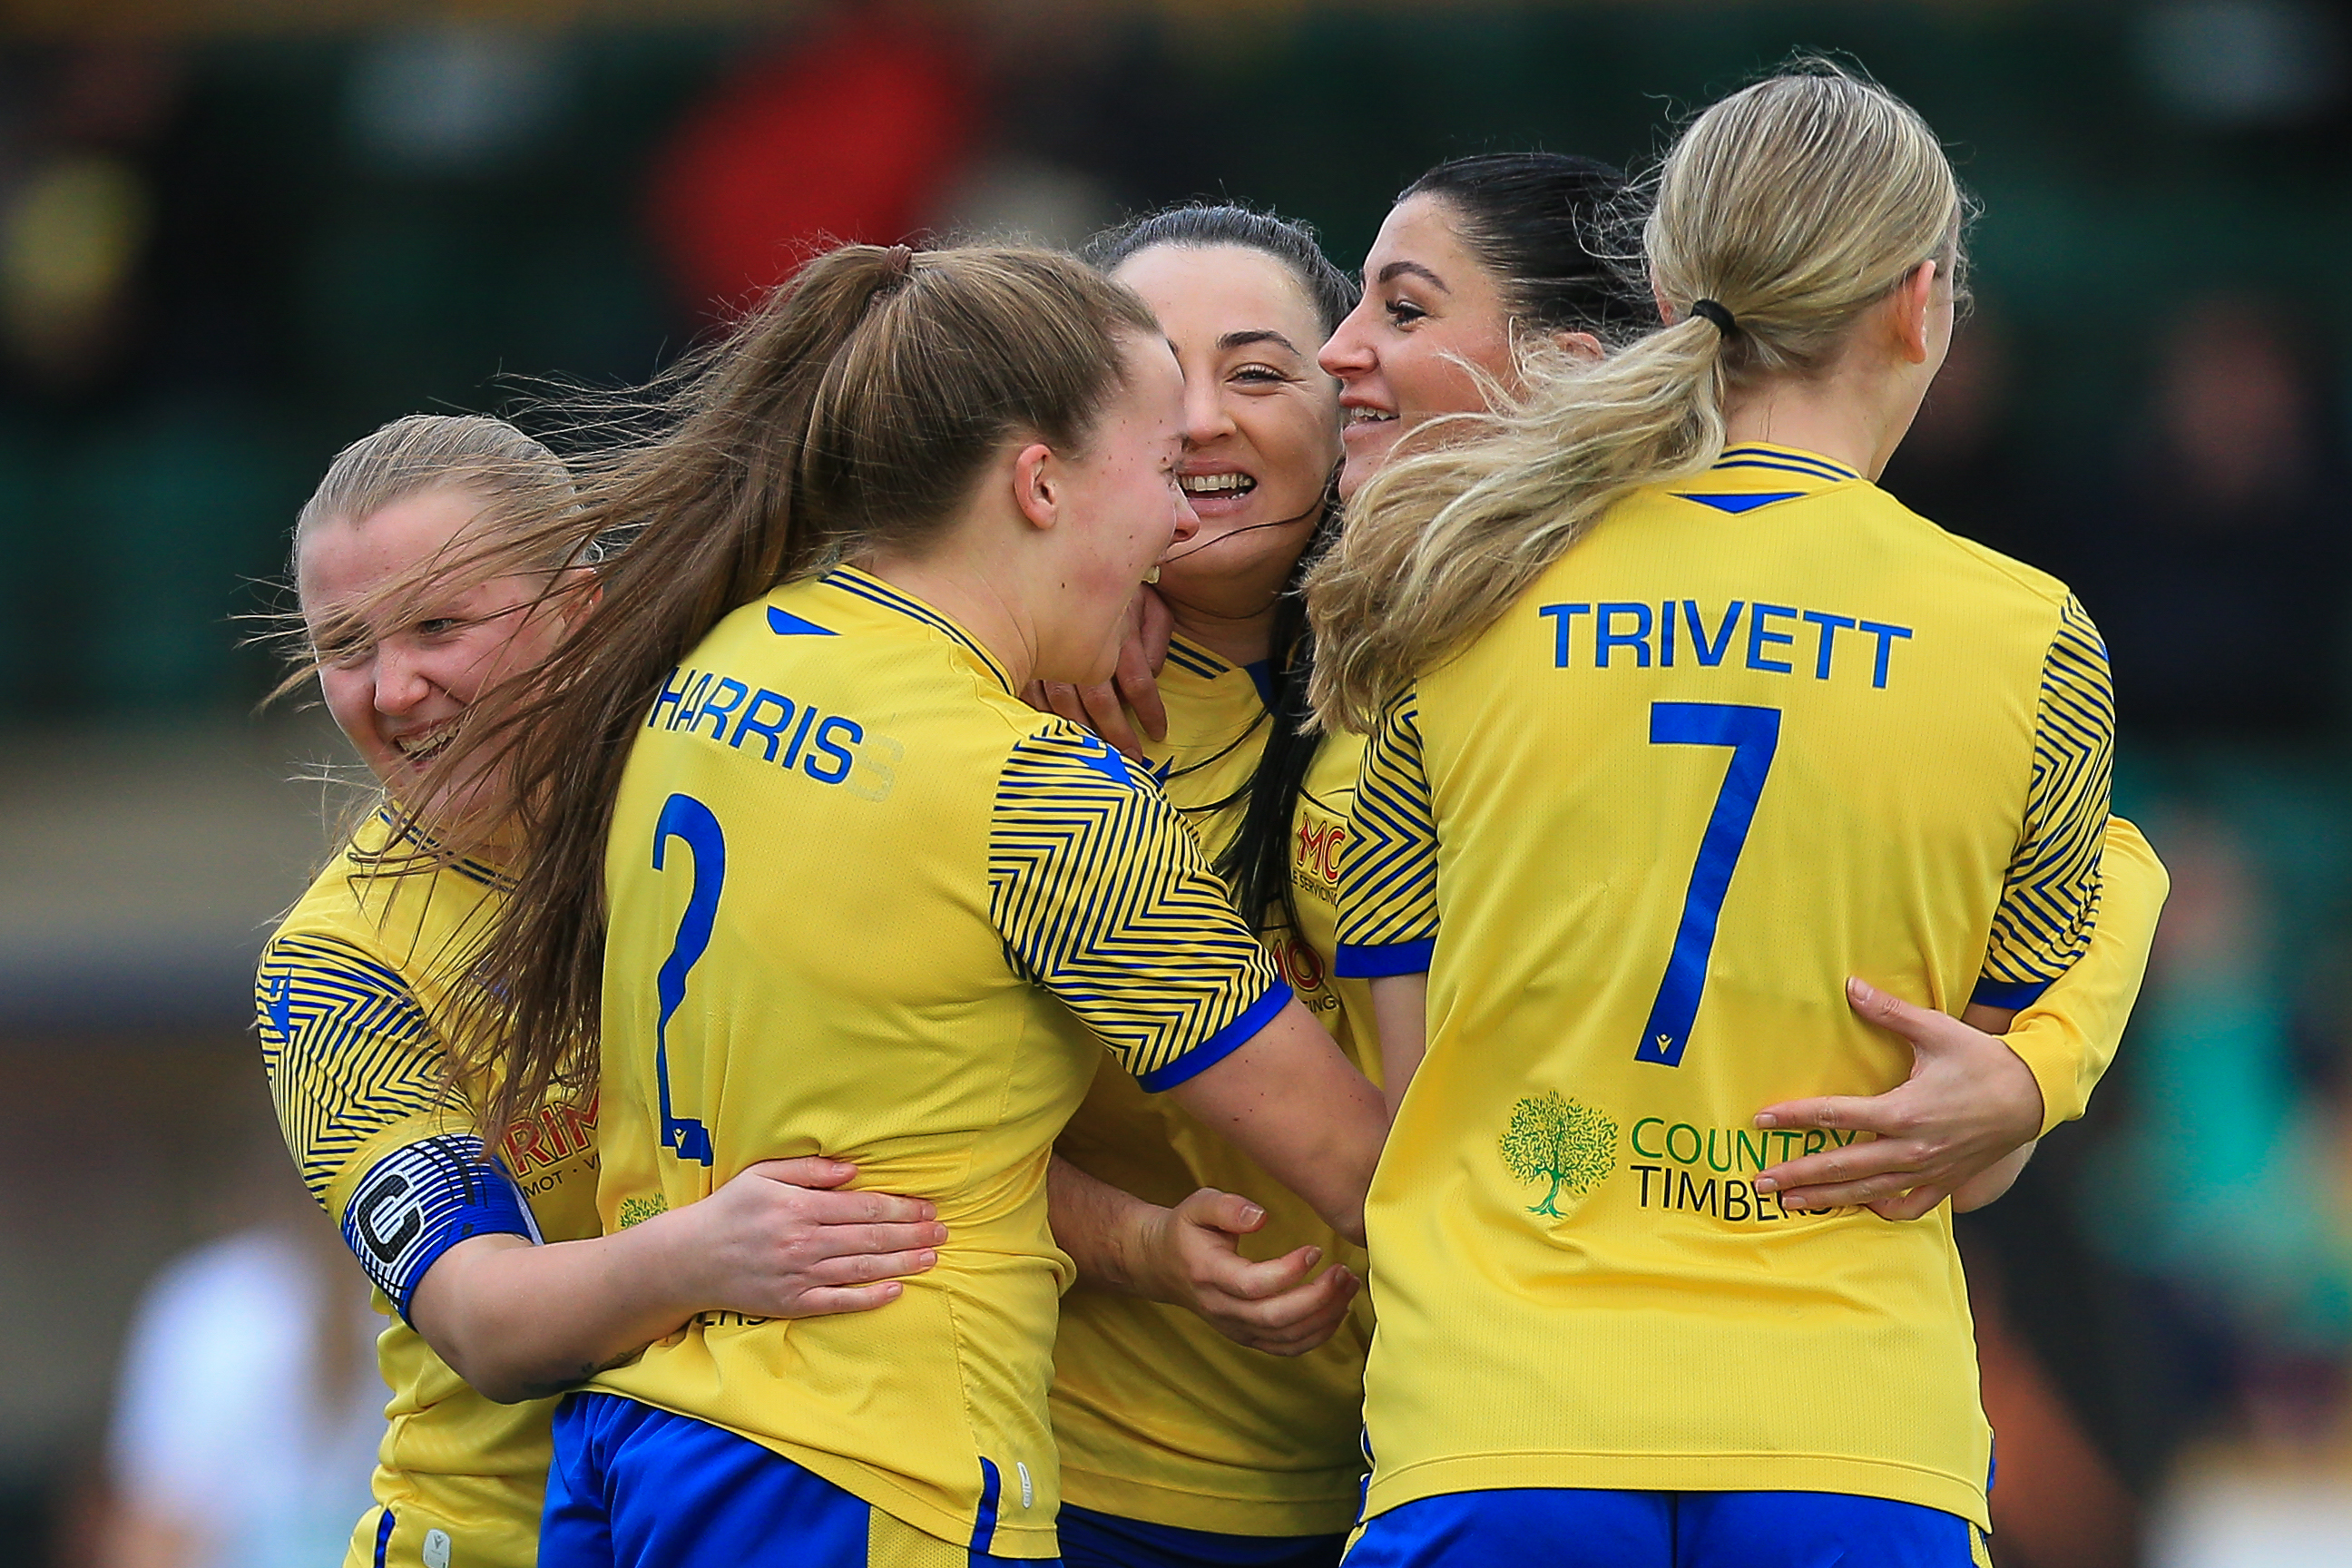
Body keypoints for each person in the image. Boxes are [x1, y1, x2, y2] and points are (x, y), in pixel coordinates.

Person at [1039, 163, 2168, 1566]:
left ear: (1571, 365)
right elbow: (892, 1129)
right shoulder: (1030, 712)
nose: (1327, 369)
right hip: (1117, 1485)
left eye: (1274, 363)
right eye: (1143, 383)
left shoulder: (1447, 640)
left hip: (1466, 1432)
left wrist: (2028, 1072)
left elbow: (2094, 859)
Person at [436, 243, 1388, 1566]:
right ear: (1040, 485)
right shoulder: (1035, 790)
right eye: (1163, 474)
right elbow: (1360, 1168)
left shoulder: (726, 652)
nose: (1180, 526)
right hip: (876, 1466)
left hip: (645, 1437)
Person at [257, 414, 946, 1568]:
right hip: (492, 1535)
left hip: (770, 1500)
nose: (392, 686)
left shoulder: (740, 781)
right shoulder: (338, 959)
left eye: (438, 625)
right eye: (344, 646)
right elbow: (481, 1321)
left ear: (580, 607)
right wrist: (703, 1253)